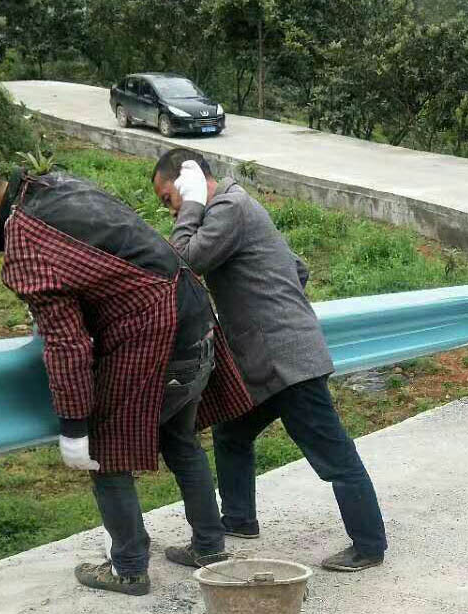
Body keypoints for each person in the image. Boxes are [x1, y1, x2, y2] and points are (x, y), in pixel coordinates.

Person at [0, 161, 253, 595]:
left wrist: (74, 425)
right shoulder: (55, 183)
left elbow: (67, 345)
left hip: (156, 338)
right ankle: (209, 546)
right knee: (180, 440)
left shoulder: (25, 245)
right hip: (196, 320)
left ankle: (128, 568)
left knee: (104, 455)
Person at [151, 149, 388, 572]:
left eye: (169, 199)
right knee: (232, 433)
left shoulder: (227, 207)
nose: (171, 210)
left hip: (286, 362)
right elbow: (297, 267)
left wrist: (191, 206)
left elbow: (183, 262)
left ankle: (369, 546)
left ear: (189, 179)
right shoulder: (237, 206)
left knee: (334, 456)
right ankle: (239, 519)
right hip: (270, 358)